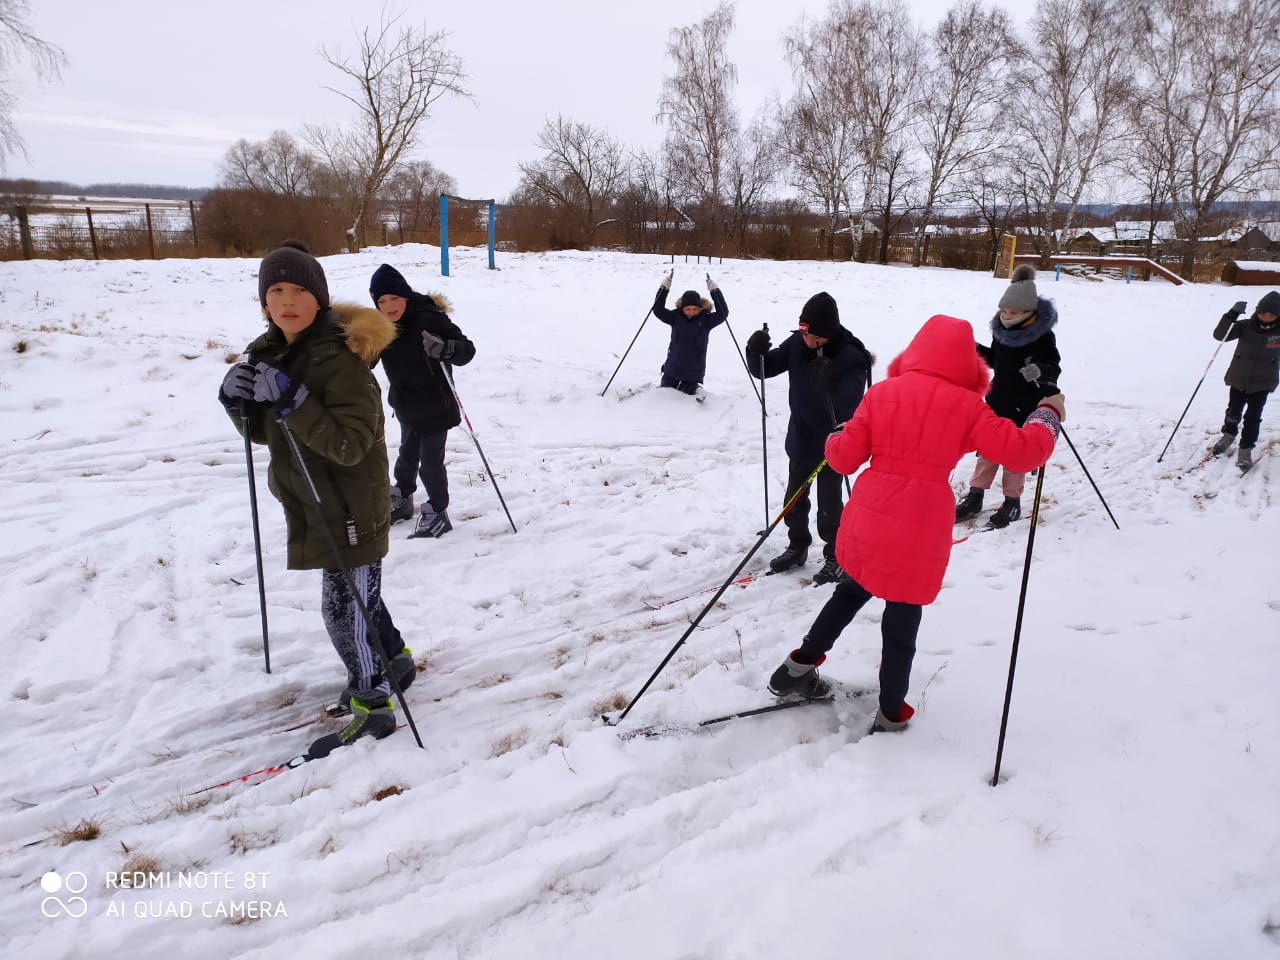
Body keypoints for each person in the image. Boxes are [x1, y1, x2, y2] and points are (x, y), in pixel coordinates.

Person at [766, 314, 1066, 734]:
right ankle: (890, 712)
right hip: (918, 527)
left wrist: (838, 435)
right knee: (901, 620)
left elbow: (842, 459)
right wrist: (1047, 414)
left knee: (851, 590)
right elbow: (1023, 452)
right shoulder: (969, 408)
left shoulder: (884, 393)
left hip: (869, 517)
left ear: (916, 351)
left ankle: (797, 667)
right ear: (967, 365)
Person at [218, 241, 415, 749]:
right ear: (263, 302)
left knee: (345, 609)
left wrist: (292, 400)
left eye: (300, 289)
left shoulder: (342, 361)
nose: (287, 300)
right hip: (313, 500)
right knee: (359, 597)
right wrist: (236, 402)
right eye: (275, 290)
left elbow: (349, 446)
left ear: (320, 300)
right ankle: (393, 659)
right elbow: (267, 435)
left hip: (350, 505)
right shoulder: (271, 353)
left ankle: (372, 704)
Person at [745, 292, 873, 585]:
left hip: (834, 445)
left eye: (813, 336)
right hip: (802, 437)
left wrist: (826, 379)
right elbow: (763, 370)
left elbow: (850, 408)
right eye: (804, 333)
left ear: (827, 334)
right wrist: (755, 351)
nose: (807, 341)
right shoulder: (798, 344)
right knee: (794, 499)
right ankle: (797, 545)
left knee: (829, 505)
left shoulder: (852, 357)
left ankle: (836, 554)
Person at [368, 263, 477, 538]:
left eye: (394, 298)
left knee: (430, 463)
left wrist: (446, 349)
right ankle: (403, 497)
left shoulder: (429, 318)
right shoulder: (380, 327)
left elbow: (467, 349)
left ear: (405, 295)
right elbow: (367, 359)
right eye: (382, 300)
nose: (389, 306)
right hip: (405, 404)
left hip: (435, 406)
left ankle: (437, 509)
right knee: (407, 455)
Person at [954, 264, 1062, 529]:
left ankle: (1012, 502)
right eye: (1003, 311)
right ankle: (975, 497)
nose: (1006, 316)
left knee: (1015, 456)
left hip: (1025, 404)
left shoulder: (1042, 336)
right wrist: (976, 350)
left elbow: (1054, 366)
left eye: (1012, 312)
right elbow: (996, 360)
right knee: (987, 451)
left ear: (1029, 313)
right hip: (998, 399)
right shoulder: (1001, 332)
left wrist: (1041, 370)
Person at [1209, 290, 1280, 469]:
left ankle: (1246, 449)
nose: (1266, 317)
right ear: (1257, 311)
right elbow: (1220, 335)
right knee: (1233, 411)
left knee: (1253, 417)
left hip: (1263, 382)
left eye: (1271, 314)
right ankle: (1228, 435)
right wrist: (1231, 315)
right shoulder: (1245, 326)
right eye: (1263, 313)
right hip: (1238, 378)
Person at [652, 270, 727, 399]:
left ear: (700, 308)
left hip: (693, 371)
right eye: (688, 309)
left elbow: (723, 313)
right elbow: (658, 310)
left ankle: (698, 391)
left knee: (686, 398)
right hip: (672, 368)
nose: (691, 312)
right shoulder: (675, 317)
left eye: (695, 309)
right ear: (682, 308)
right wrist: (664, 288)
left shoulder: (706, 320)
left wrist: (715, 291)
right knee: (665, 395)